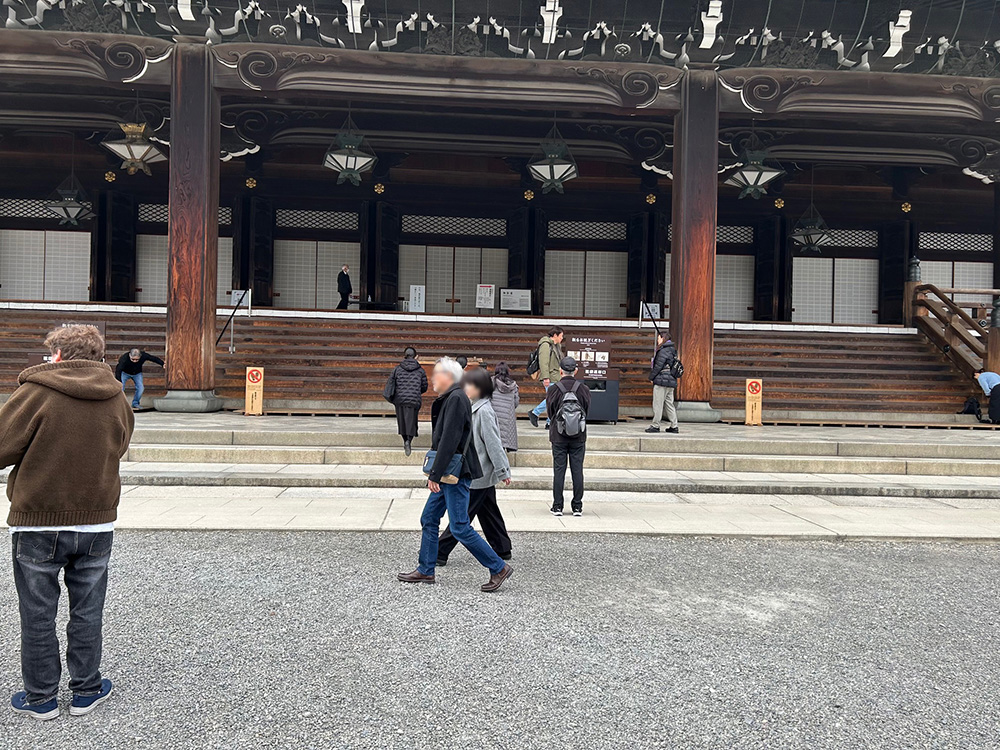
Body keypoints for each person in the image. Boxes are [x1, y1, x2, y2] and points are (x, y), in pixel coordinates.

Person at [0, 325, 134, 720]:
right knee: (88, 608)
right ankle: (86, 690)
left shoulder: (36, 392)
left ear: (58, 354)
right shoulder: (115, 395)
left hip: (38, 517)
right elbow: (120, 443)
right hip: (95, 519)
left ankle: (40, 697)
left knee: (38, 612)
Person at [397, 357, 513, 592]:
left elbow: (450, 439)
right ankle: (426, 569)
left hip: (456, 472)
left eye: (436, 374)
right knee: (429, 518)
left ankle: (498, 567)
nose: (432, 379)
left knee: (460, 526)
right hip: (449, 471)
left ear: (448, 376)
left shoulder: (456, 398)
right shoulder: (453, 398)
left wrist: (435, 474)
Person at [436, 368, 512, 566]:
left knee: (462, 516)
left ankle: (440, 551)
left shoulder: (484, 411)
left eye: (469, 384)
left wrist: (503, 470)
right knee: (488, 511)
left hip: (479, 472)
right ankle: (503, 547)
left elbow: (494, 444)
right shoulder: (473, 407)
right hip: (479, 472)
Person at [547, 356, 591, 517]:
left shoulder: (553, 389)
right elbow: (586, 410)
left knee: (559, 471)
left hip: (558, 435)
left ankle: (557, 506)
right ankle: (577, 506)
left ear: (560, 370)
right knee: (577, 470)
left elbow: (551, 413)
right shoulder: (583, 389)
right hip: (578, 436)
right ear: (576, 371)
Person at [388, 347, 428, 456]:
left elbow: (392, 383)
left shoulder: (397, 369)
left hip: (400, 399)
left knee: (402, 421)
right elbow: (424, 386)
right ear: (416, 356)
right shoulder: (420, 370)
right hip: (413, 399)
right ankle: (409, 441)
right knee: (412, 421)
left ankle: (404, 440)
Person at [529, 326, 565, 428]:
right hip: (550, 376)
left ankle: (548, 421)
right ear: (555, 335)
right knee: (553, 398)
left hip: (556, 376)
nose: (562, 338)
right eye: (561, 336)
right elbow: (543, 362)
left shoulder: (556, 346)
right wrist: (545, 377)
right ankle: (536, 413)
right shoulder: (545, 345)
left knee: (554, 399)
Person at [646, 333, 679, 434]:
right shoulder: (672, 350)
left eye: (659, 338)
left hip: (661, 380)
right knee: (669, 404)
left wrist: (651, 377)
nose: (657, 340)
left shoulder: (663, 350)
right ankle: (674, 426)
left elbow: (658, 366)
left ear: (663, 338)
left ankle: (656, 425)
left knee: (658, 403)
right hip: (671, 380)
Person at [491, 361, 520, 453]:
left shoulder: (491, 382)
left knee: (494, 437)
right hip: (507, 416)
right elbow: (516, 402)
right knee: (504, 440)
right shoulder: (513, 385)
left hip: (494, 414)